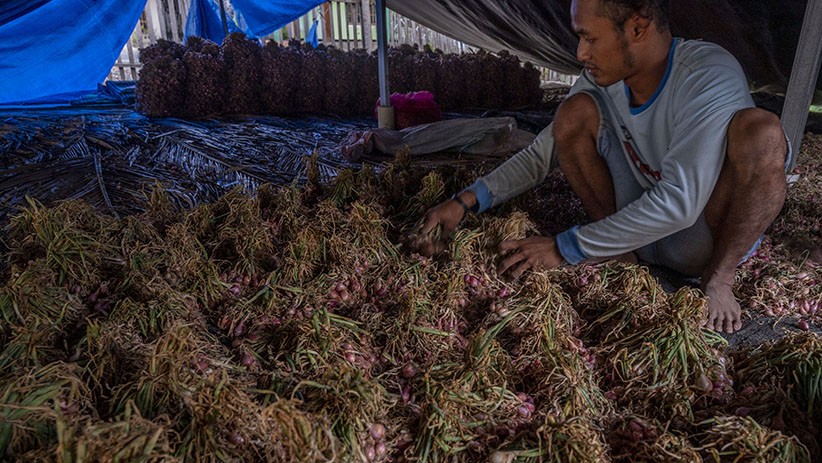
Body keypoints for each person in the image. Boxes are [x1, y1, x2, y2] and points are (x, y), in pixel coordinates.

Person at [418, 0, 791, 334]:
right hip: (637, 229)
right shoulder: (603, 79)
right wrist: (464, 202)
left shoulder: (706, 73)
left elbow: (680, 204)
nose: (581, 52)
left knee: (762, 133)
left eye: (589, 38)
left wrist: (567, 248)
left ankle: (719, 279)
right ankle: (619, 255)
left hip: (702, 239)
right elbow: (541, 154)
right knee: (572, 114)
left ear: (637, 28)